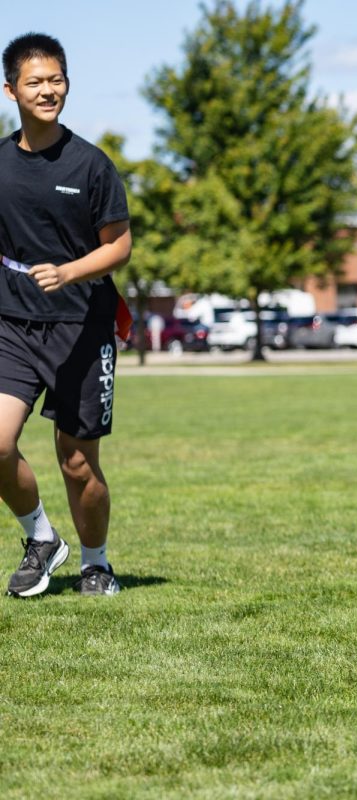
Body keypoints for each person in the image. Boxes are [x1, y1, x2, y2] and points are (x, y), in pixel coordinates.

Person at [0, 33, 132, 597]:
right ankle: (41, 537)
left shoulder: (91, 164)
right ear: (10, 90)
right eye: (35, 81)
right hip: (11, 324)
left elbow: (119, 247)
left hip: (83, 328)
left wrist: (69, 271)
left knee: (77, 463)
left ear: (67, 85)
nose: (47, 90)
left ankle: (96, 564)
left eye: (56, 80)